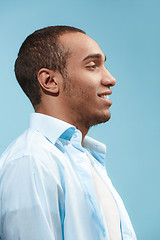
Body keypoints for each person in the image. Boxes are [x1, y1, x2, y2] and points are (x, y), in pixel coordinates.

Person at [0, 26, 137, 240]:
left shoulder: (87, 160)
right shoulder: (31, 161)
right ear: (50, 81)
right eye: (92, 66)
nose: (111, 79)